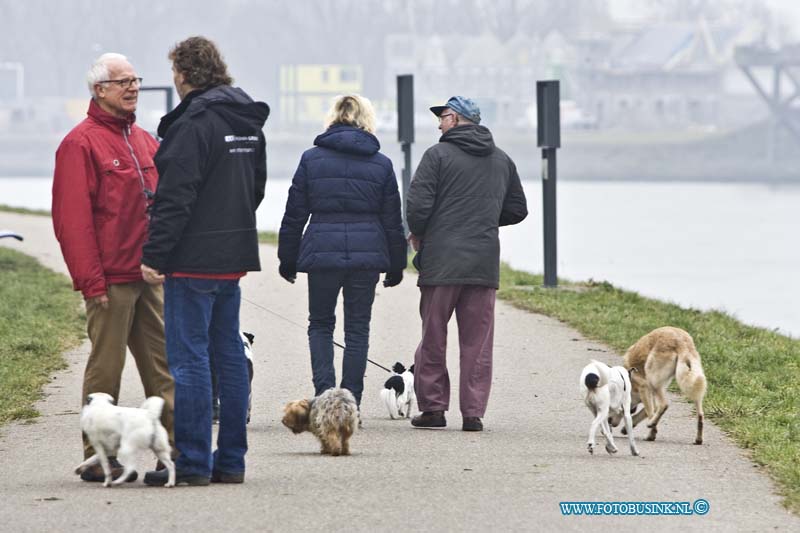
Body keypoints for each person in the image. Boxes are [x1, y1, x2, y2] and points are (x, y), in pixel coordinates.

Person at [140, 36, 268, 486]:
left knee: (189, 360)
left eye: (174, 71)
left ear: (183, 74)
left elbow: (175, 196)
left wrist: (155, 254)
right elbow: (256, 189)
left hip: (192, 260)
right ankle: (231, 460)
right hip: (232, 256)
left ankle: (193, 461)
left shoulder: (194, 121)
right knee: (229, 355)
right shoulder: (247, 119)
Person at [52, 53, 175, 482]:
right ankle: (99, 455)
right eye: (122, 81)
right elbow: (73, 222)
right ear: (99, 89)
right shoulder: (79, 143)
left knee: (163, 366)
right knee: (106, 370)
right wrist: (91, 281)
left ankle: (170, 451)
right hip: (109, 280)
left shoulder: (144, 140)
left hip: (149, 275)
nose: (133, 87)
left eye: (136, 79)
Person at [406, 96, 528, 432]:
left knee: (434, 335)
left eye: (443, 116)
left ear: (457, 119)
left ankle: (433, 409)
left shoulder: (437, 156)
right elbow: (518, 209)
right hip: (482, 263)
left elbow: (417, 206)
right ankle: (473, 413)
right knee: (477, 342)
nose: (439, 123)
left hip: (441, 261)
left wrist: (419, 232)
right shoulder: (502, 160)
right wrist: (482, 218)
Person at [278, 94, 405, 408]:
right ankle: (351, 403)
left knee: (320, 324)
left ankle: (324, 397)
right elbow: (392, 219)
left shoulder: (311, 159)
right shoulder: (382, 163)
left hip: (322, 253)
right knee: (357, 329)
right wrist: (397, 263)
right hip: (367, 256)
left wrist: (287, 257)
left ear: (333, 117)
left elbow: (295, 213)